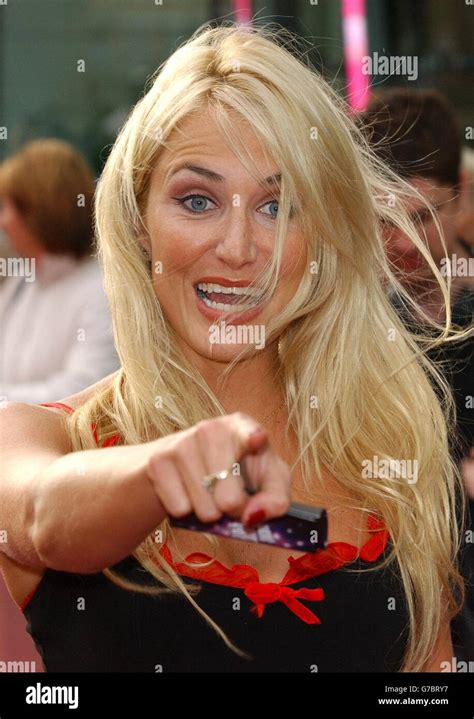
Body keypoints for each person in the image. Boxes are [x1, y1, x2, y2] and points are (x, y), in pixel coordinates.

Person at [0, 23, 466, 673]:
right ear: (139, 225)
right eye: (198, 199)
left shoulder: (391, 449)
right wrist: (164, 469)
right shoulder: (41, 439)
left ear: (325, 233)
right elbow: (43, 516)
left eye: (278, 206)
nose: (242, 247)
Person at [360, 89, 474, 662]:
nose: (402, 242)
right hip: (385, 596)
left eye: (422, 215)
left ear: (462, 200)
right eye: (383, 217)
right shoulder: (344, 329)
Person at [0, 139, 119, 403]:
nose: (3, 222)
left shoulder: (102, 290)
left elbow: (84, 390)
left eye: (6, 208)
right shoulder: (22, 279)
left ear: (36, 212)